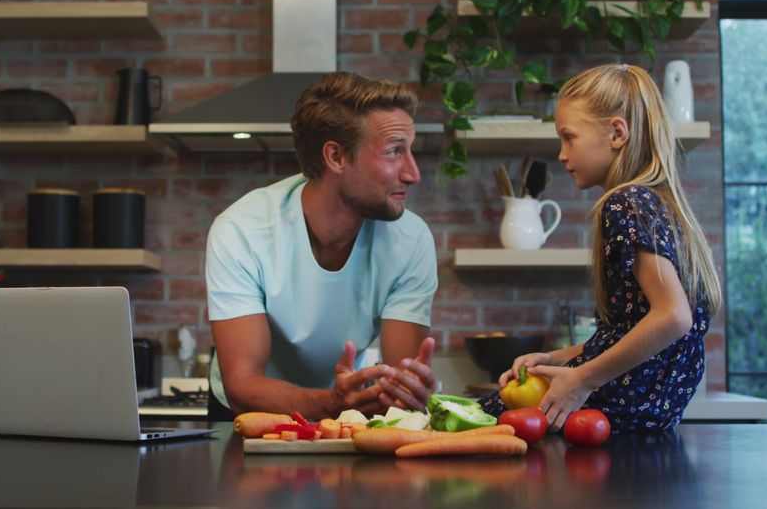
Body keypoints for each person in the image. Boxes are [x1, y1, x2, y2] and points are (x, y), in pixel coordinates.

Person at [490, 63, 722, 433]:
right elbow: (628, 334)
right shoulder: (660, 203)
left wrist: (581, 380)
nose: (562, 155)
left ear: (616, 133)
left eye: (569, 137)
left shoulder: (624, 203)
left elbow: (674, 317)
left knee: (478, 417)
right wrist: (554, 358)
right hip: (650, 414)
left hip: (620, 407)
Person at [205, 72, 438, 420]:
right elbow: (243, 384)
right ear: (336, 157)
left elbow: (400, 380)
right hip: (250, 411)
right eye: (394, 152)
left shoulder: (411, 240)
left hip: (344, 405)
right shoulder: (241, 231)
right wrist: (333, 403)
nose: (413, 173)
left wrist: (407, 391)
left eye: (410, 150)